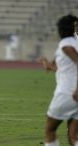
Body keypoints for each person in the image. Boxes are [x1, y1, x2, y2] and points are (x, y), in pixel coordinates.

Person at [39, 15, 78, 146]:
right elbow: (60, 68)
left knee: (50, 128)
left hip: (68, 93)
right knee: (73, 135)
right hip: (72, 93)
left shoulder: (66, 45)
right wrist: (45, 63)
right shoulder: (73, 42)